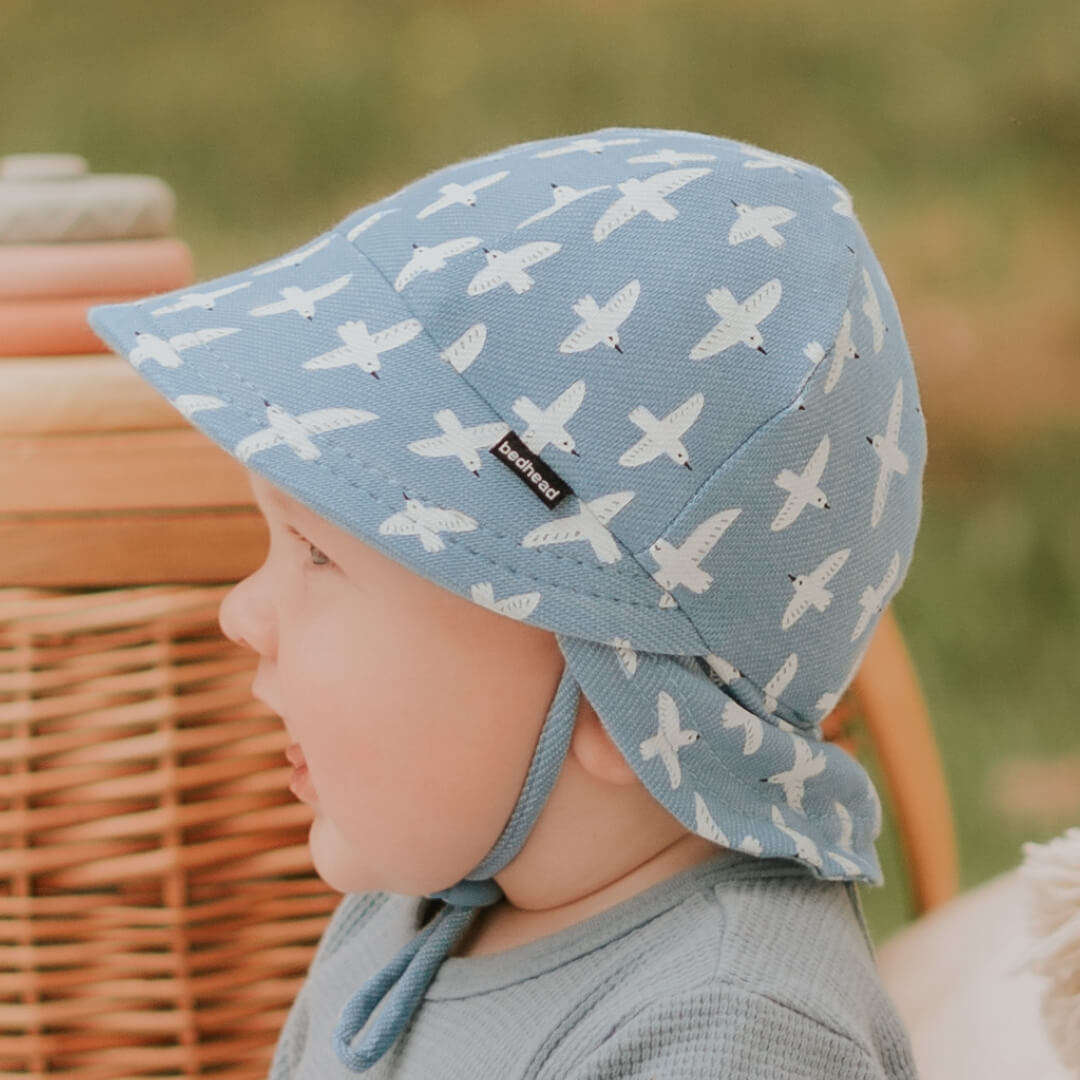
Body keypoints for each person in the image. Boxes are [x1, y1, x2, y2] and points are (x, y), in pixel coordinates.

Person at [88, 125, 926, 1078]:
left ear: (627, 702)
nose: (243, 613)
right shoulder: (416, 923)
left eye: (316, 553)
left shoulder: (730, 1028)